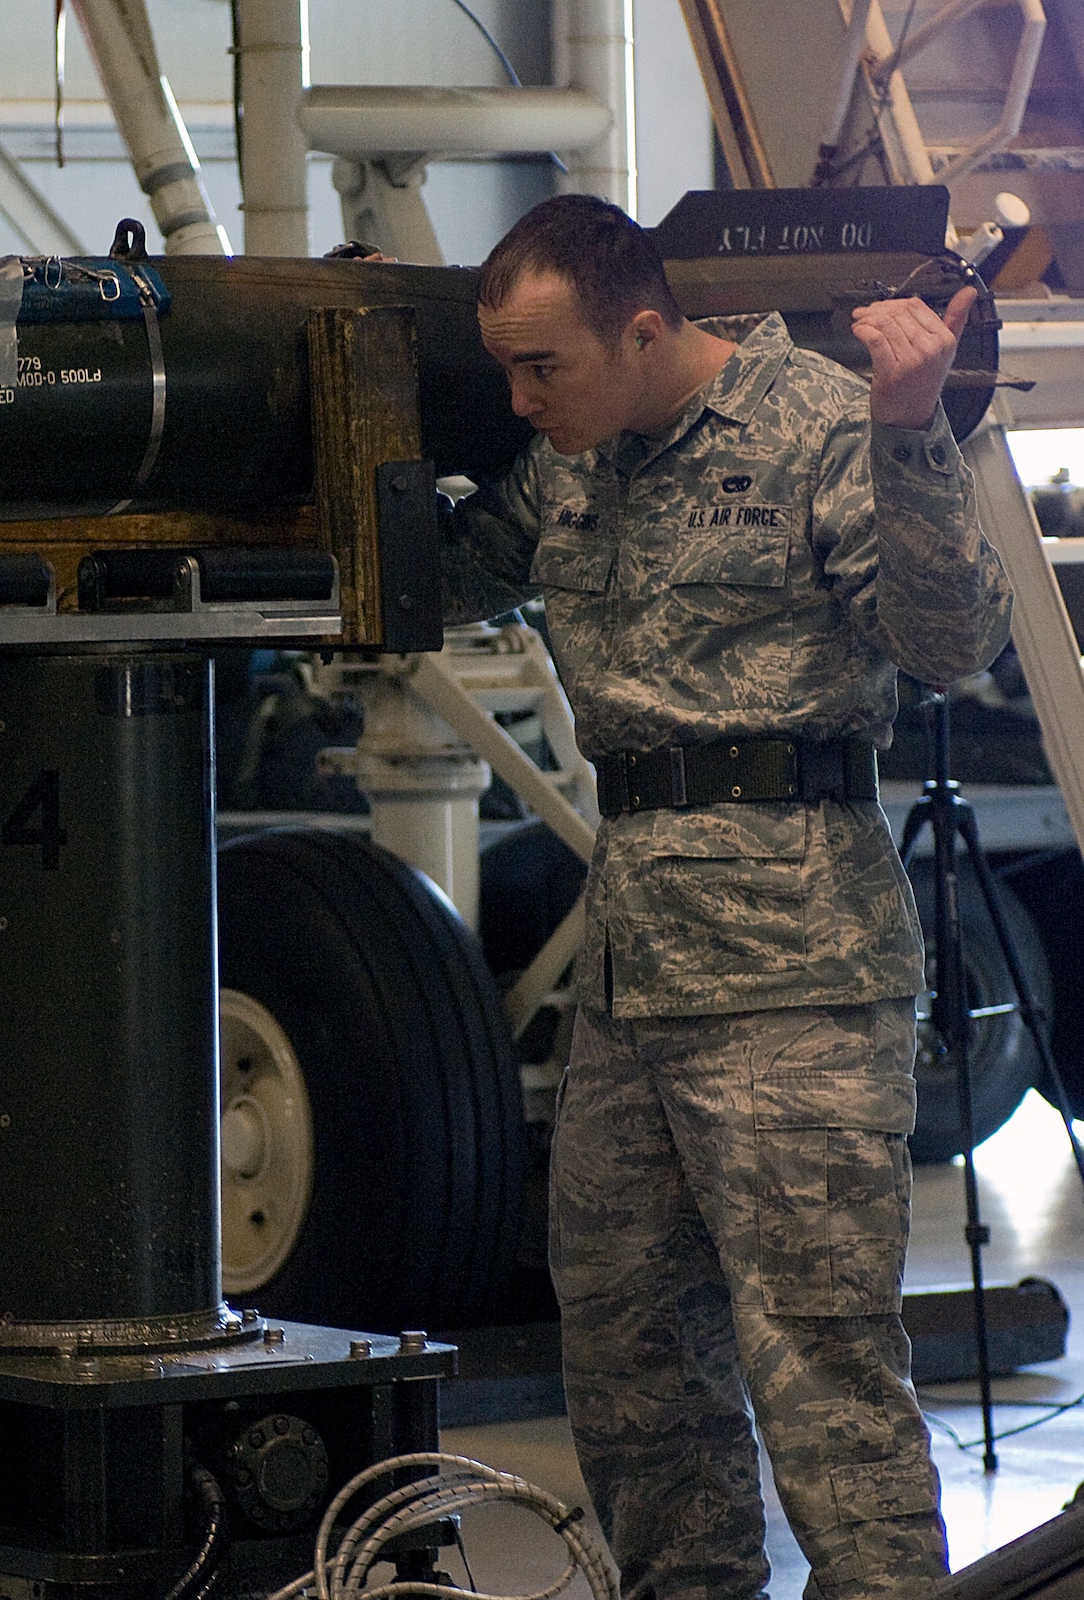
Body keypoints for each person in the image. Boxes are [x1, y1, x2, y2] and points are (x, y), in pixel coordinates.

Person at [437, 194, 1013, 1600]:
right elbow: (423, 586)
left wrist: (910, 425)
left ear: (644, 331)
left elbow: (952, 644)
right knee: (634, 1374)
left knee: (823, 1377)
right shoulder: (567, 468)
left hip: (795, 977)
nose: (517, 403)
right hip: (634, 982)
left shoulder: (815, 424)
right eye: (501, 371)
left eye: (541, 370)